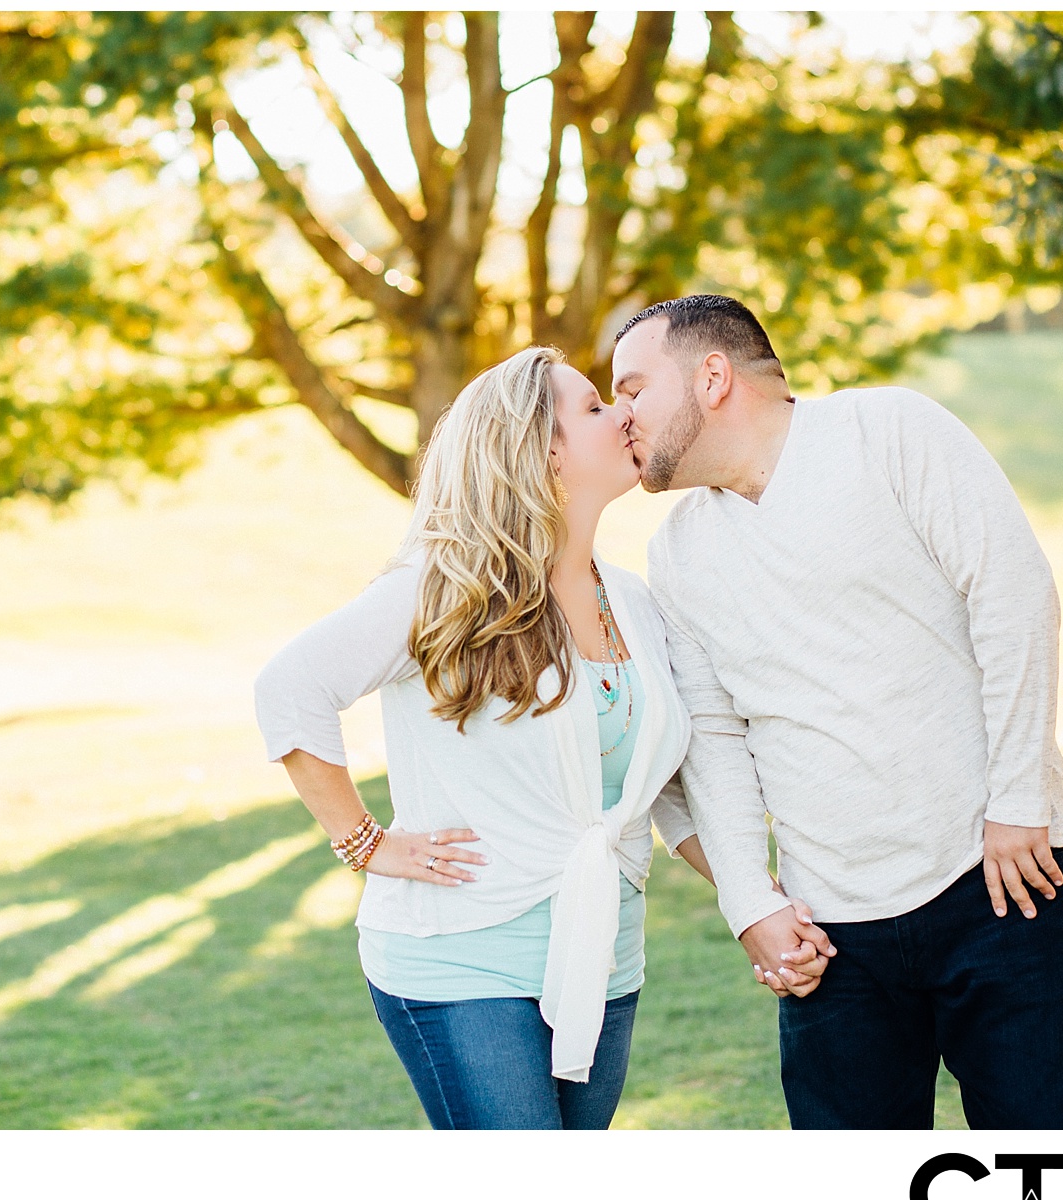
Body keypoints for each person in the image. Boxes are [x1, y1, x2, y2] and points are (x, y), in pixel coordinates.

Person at [254, 345, 832, 1130]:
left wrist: (754, 902)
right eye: (594, 406)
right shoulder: (445, 583)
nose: (624, 413)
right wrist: (366, 843)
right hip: (460, 956)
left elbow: (657, 797)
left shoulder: (634, 603)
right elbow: (290, 688)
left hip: (602, 961)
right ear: (542, 451)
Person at [613, 293, 1063, 1129]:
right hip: (830, 937)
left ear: (714, 376)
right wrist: (749, 902)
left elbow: (1013, 595)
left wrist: (1020, 801)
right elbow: (718, 740)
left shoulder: (892, 433)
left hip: (1003, 883)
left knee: (1041, 1196)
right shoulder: (678, 550)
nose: (621, 417)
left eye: (632, 389)